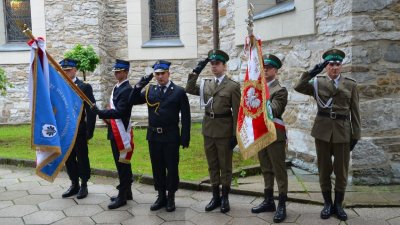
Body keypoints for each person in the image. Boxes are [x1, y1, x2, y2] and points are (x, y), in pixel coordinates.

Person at [294, 49, 361, 221]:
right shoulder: (317, 82)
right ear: (326, 66)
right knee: (324, 170)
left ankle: (338, 205)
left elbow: (355, 111)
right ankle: (327, 203)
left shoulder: (351, 84)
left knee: (341, 170)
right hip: (322, 132)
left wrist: (356, 135)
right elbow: (298, 86)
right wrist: (313, 71)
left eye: (338, 64)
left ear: (341, 66)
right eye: (331, 64)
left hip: (342, 132)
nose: (334, 67)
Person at [130, 60, 191, 212]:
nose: (160, 77)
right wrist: (139, 85)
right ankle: (161, 195)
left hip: (171, 136)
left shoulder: (178, 91)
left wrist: (185, 136)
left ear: (168, 73)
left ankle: (171, 196)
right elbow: (132, 100)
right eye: (157, 74)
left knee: (171, 167)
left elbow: (186, 116)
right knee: (157, 167)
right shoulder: (150, 90)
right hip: (154, 136)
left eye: (162, 73)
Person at [186, 50, 241, 213]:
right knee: (212, 165)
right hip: (208, 129)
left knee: (225, 165)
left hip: (224, 131)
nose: (214, 67)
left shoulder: (233, 86)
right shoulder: (206, 84)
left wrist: (235, 135)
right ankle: (215, 196)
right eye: (212, 64)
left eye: (217, 64)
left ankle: (225, 198)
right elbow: (189, 88)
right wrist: (196, 71)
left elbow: (237, 112)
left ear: (224, 66)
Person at [92, 59, 151, 209]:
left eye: (119, 71)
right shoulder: (118, 87)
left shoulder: (126, 90)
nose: (116, 73)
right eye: (115, 71)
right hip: (115, 131)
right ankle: (127, 191)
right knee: (123, 164)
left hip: (121, 133)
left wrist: (100, 112)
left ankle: (122, 196)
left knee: (122, 165)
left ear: (126, 72)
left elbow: (120, 112)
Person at [250, 54, 288, 223]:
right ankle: (268, 200)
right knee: (265, 167)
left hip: (274, 134)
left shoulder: (280, 90)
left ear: (275, 70)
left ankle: (282, 204)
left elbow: (275, 110)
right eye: (263, 67)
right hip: (261, 133)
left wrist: (260, 96)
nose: (265, 70)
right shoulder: (258, 88)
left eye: (269, 67)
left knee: (278, 169)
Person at [59, 58, 96, 199]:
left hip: (79, 130)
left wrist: (89, 131)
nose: (66, 73)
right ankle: (74, 184)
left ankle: (84, 184)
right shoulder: (60, 87)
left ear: (75, 70)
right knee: (68, 158)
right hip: (65, 130)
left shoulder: (84, 87)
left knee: (82, 157)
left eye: (68, 70)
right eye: (64, 70)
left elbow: (91, 110)